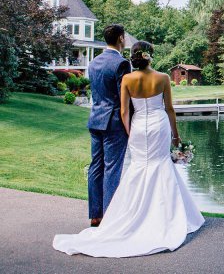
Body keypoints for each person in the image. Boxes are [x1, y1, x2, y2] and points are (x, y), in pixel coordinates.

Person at [53, 41, 204, 258]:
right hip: (159, 125)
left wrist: (130, 132)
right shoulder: (162, 78)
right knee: (161, 166)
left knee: (138, 168)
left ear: (134, 57)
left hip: (138, 128)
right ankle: (163, 216)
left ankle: (129, 215)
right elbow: (169, 109)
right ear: (150, 56)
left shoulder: (127, 79)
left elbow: (125, 111)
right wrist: (176, 135)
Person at [85, 24, 130, 228]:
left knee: (96, 166)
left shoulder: (93, 63)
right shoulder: (122, 63)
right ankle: (110, 216)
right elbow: (124, 99)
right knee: (112, 168)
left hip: (95, 119)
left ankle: (96, 215)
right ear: (120, 38)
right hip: (113, 123)